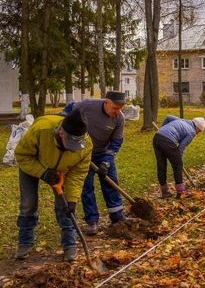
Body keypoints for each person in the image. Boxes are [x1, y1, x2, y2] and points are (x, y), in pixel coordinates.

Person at [14, 108, 93, 262]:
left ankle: (69, 244)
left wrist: (72, 200)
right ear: (61, 133)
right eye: (70, 143)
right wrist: (43, 172)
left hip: (62, 171)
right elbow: (22, 155)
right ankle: (24, 241)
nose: (73, 147)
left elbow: (78, 174)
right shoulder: (41, 129)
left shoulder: (86, 145)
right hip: (32, 164)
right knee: (28, 204)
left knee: (65, 209)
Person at [67, 91, 127, 236]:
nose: (118, 111)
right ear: (106, 102)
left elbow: (116, 143)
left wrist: (106, 162)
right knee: (86, 185)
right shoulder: (87, 105)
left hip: (103, 152)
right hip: (83, 152)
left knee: (111, 182)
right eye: (115, 108)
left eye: (121, 108)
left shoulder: (119, 118)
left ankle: (117, 216)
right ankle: (92, 220)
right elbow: (69, 110)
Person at [153, 115, 205, 199]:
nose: (197, 133)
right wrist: (178, 160)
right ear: (198, 128)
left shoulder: (183, 120)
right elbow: (181, 147)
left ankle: (165, 192)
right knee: (177, 166)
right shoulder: (191, 132)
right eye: (199, 131)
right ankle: (181, 192)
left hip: (157, 137)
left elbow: (168, 117)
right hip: (168, 141)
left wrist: (162, 129)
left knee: (161, 166)